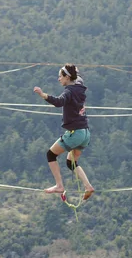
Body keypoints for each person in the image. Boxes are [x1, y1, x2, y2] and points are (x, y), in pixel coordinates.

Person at [34, 64, 94, 200]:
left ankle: (59, 185)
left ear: (67, 77)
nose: (58, 79)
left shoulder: (69, 91)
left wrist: (43, 94)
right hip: (85, 133)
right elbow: (77, 77)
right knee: (71, 163)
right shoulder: (80, 87)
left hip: (75, 133)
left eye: (60, 76)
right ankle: (88, 186)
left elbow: (59, 102)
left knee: (51, 155)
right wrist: (72, 70)